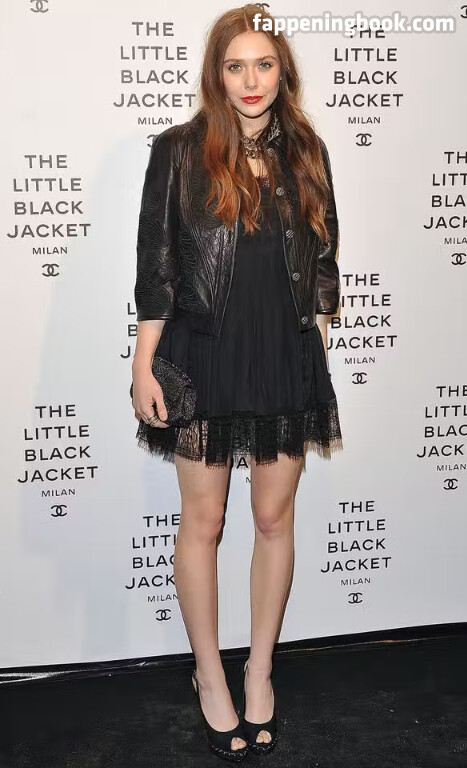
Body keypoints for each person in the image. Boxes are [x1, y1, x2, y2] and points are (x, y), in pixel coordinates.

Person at [131, 3, 343, 760]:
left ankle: (258, 669)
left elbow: (324, 251)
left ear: (282, 71)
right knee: (205, 520)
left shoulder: (307, 151)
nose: (250, 80)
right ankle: (209, 675)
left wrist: (319, 326)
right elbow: (156, 264)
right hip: (203, 351)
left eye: (263, 64)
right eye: (234, 65)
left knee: (274, 518)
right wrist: (143, 361)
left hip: (283, 351)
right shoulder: (179, 151)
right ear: (215, 73)